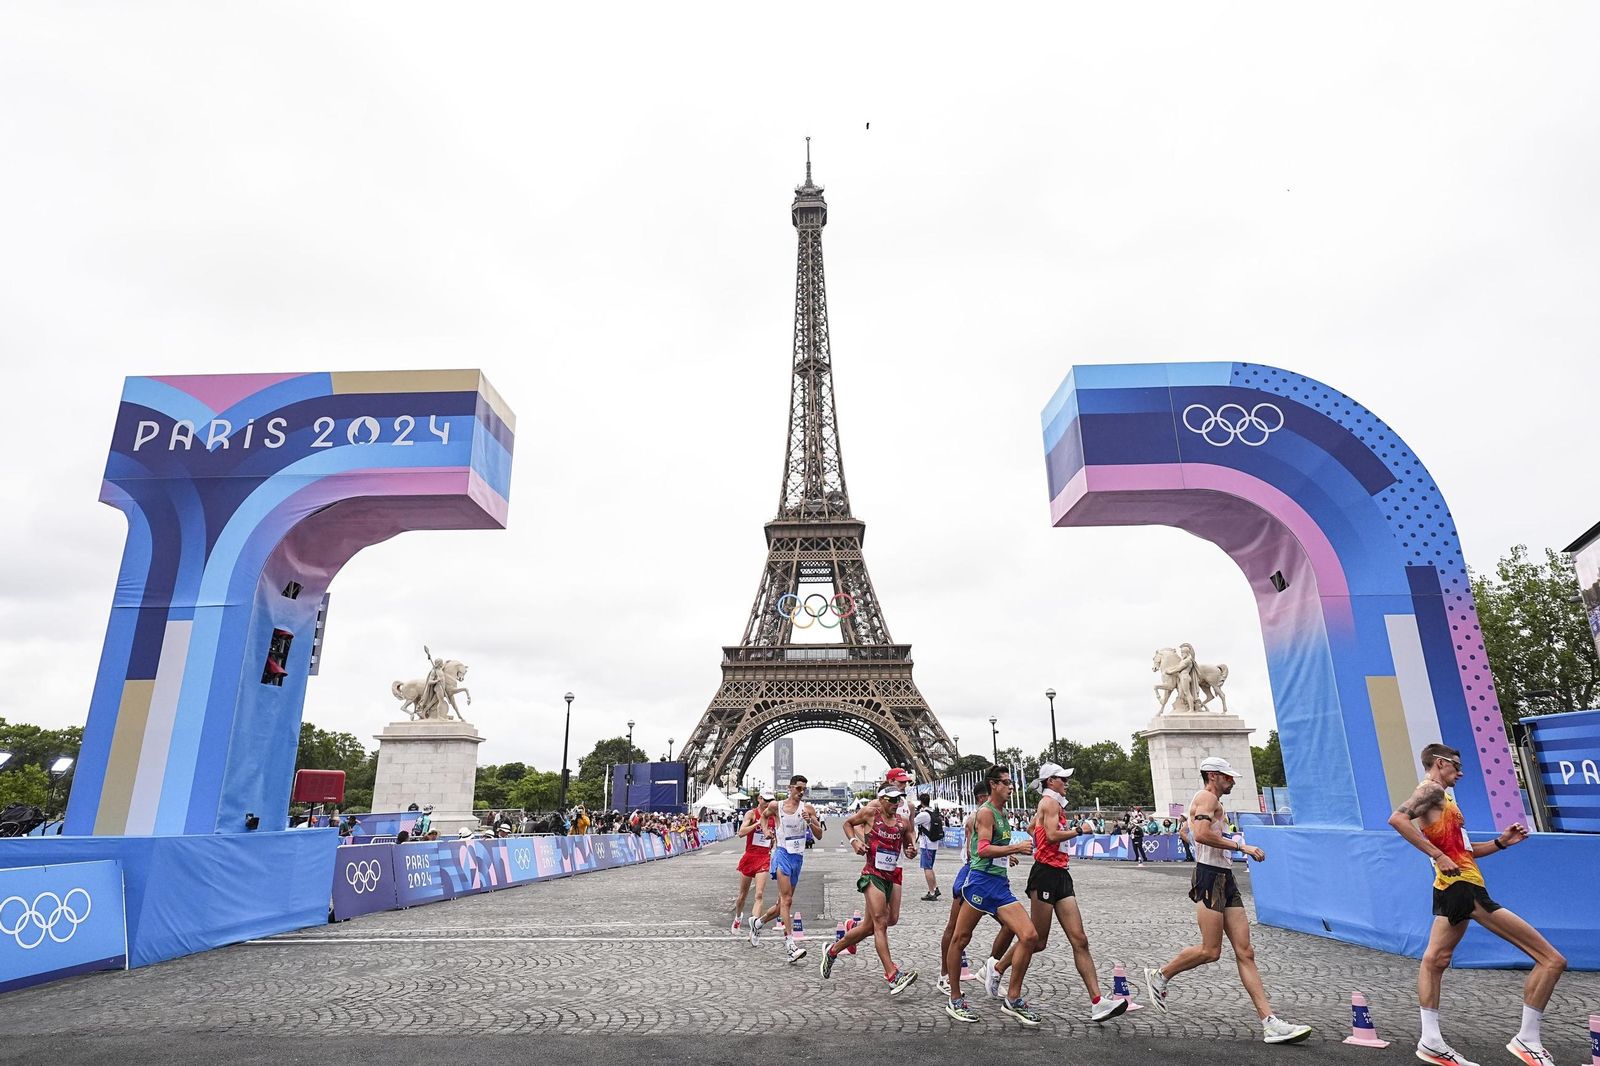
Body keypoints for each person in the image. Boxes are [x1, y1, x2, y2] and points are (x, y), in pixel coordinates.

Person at [1388, 742, 1566, 1066]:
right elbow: (1398, 819)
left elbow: (1465, 852)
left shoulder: (1446, 800)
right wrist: (1437, 855)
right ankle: (1527, 1040)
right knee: (1551, 960)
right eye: (1455, 765)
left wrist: (1500, 843)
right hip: (1465, 890)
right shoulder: (1431, 791)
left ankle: (1430, 1041)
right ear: (1440, 763)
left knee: (1435, 959)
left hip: (1453, 886)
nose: (1461, 771)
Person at [1143, 756, 1312, 1044]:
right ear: (1212, 776)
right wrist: (1240, 846)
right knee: (1210, 951)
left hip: (1224, 876)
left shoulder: (1208, 801)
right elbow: (1199, 833)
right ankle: (1160, 974)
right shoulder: (1206, 797)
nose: (1232, 780)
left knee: (1246, 951)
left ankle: (1269, 1022)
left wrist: (1209, 846)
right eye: (1227, 776)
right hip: (1210, 876)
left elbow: (1188, 831)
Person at [991, 763, 1126, 1023]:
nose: (1067, 782)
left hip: (1060, 874)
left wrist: (1042, 836)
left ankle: (1098, 1002)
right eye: (1063, 778)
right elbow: (1051, 835)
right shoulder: (1050, 803)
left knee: (1080, 939)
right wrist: (1079, 830)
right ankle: (997, 968)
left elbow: (1035, 829)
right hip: (1045, 875)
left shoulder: (1053, 804)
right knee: (1037, 941)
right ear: (1050, 781)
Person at [943, 765, 1041, 1026]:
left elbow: (987, 847)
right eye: (1007, 783)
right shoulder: (985, 813)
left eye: (1011, 783)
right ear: (993, 785)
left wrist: (1007, 854)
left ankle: (1013, 997)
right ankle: (955, 999)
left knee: (1029, 935)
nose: (1011, 787)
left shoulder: (1002, 812)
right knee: (960, 939)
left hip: (999, 885)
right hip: (981, 884)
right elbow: (983, 849)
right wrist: (1015, 847)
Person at [819, 784, 918, 995]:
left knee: (875, 925)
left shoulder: (903, 821)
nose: (895, 803)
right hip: (872, 874)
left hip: (893, 875)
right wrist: (854, 841)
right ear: (881, 799)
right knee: (880, 923)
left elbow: (910, 840)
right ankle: (892, 975)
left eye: (898, 799)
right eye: (891, 799)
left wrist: (912, 850)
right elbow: (848, 824)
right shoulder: (870, 813)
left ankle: (833, 950)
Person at [748, 774, 825, 964]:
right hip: (781, 854)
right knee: (787, 900)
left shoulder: (807, 809)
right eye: (798, 788)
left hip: (797, 858)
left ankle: (757, 923)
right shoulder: (777, 806)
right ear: (790, 788)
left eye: (804, 789)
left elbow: (820, 835)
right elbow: (764, 818)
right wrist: (766, 831)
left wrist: (811, 822)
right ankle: (790, 945)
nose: (801, 792)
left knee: (781, 904)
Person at [937, 779, 996, 997]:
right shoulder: (976, 817)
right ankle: (945, 976)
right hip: (973, 876)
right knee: (955, 929)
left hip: (988, 879)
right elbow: (974, 853)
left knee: (1012, 927)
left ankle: (992, 969)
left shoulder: (992, 815)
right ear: (983, 797)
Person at [730, 790, 777, 935]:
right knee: (742, 895)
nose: (768, 803)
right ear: (759, 799)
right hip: (750, 856)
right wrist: (757, 823)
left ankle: (754, 927)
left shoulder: (775, 817)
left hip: (764, 857)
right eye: (766, 800)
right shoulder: (751, 814)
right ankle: (738, 918)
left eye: (771, 800)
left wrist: (773, 840)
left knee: (759, 894)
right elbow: (741, 833)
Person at [915, 793, 942, 901]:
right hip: (933, 844)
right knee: (930, 867)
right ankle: (935, 888)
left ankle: (931, 892)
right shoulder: (932, 813)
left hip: (926, 845)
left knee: (927, 868)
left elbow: (911, 821)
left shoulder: (924, 815)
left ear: (921, 802)